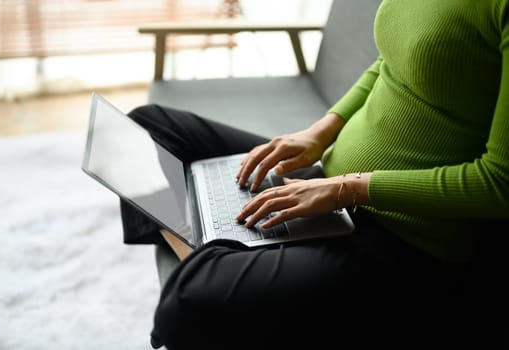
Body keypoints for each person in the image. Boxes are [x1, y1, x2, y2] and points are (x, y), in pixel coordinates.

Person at [120, 0, 509, 349]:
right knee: (146, 129)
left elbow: (500, 185)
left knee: (189, 301)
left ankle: (208, 260)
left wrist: (347, 190)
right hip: (323, 179)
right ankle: (213, 248)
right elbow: (390, 63)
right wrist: (318, 133)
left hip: (401, 235)